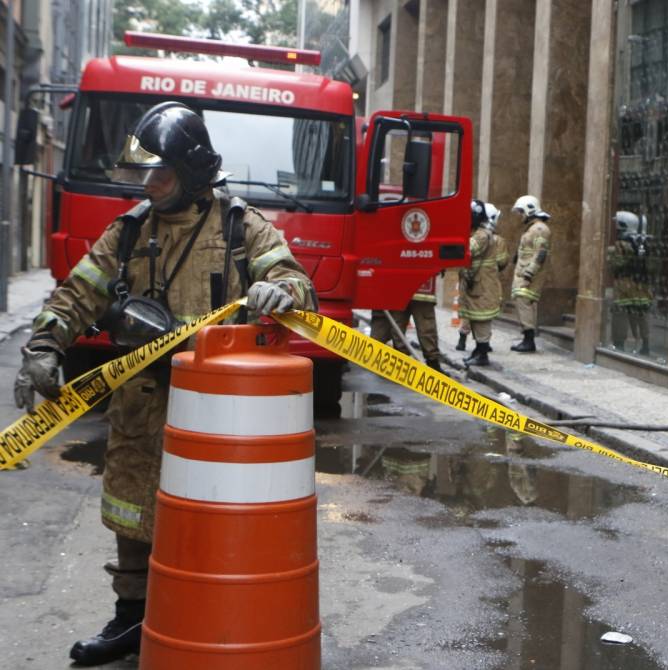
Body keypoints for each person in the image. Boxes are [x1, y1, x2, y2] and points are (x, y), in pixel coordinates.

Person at [12, 101, 316, 666]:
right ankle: (132, 620)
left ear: (193, 170)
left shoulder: (238, 225)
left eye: (162, 172)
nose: (149, 184)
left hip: (218, 414)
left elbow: (293, 279)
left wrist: (283, 292)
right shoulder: (129, 233)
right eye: (145, 173)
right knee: (131, 509)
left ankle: (208, 615)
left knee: (212, 517)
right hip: (141, 403)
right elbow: (79, 292)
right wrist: (45, 345)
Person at [459, 201, 507, 366]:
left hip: (482, 286)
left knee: (481, 321)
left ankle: (482, 353)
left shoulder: (482, 235)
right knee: (476, 319)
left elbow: (467, 250)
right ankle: (479, 350)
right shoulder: (479, 233)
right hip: (478, 285)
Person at [370, 275, 443, 373]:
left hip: (417, 289)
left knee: (422, 328)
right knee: (399, 327)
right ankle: (402, 361)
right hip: (406, 288)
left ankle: (432, 364)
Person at [509, 195, 551, 353]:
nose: (520, 215)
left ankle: (529, 340)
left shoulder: (539, 229)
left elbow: (541, 253)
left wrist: (529, 273)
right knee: (522, 302)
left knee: (524, 302)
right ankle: (527, 338)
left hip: (529, 274)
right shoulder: (533, 228)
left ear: (529, 210)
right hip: (523, 271)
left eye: (521, 211)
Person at [609, 211, 654, 355]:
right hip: (642, 286)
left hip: (624, 285)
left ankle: (619, 344)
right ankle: (645, 344)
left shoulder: (621, 244)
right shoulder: (643, 243)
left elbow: (617, 264)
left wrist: (609, 254)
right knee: (641, 315)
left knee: (620, 314)